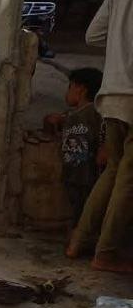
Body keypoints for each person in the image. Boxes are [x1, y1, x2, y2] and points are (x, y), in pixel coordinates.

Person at [68, 0, 133, 272]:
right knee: (127, 178)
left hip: (112, 94)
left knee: (115, 170)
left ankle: (79, 239)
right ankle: (107, 252)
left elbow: (93, 35)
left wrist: (122, 46)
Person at [45, 68, 104, 232]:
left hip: (82, 174)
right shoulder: (81, 114)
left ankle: (78, 239)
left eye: (70, 86)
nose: (67, 92)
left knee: (81, 210)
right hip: (80, 174)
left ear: (81, 88)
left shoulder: (87, 115)